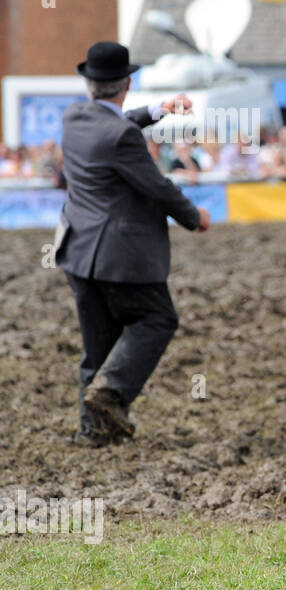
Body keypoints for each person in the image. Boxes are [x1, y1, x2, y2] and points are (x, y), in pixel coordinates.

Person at [56, 41, 211, 447]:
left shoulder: (74, 118)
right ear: (126, 83)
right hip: (121, 256)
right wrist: (194, 217)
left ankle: (93, 432)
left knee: (98, 345)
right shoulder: (123, 135)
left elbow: (116, 122)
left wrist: (158, 110)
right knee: (157, 319)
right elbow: (157, 186)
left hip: (78, 252)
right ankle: (112, 391)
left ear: (89, 83)